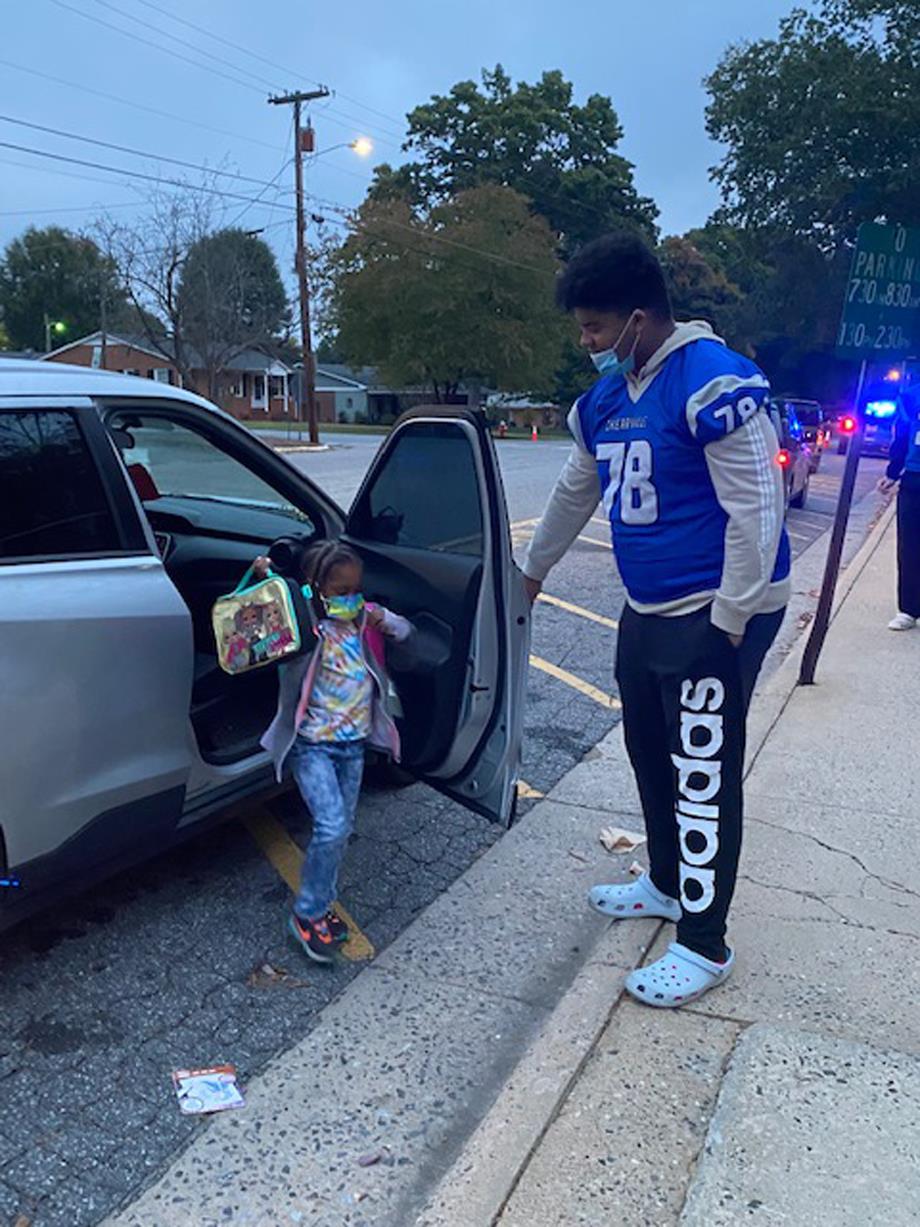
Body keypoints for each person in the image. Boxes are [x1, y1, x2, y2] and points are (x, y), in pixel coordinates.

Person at [523, 233, 789, 1009]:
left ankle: (706, 944)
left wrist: (731, 617)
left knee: (701, 772)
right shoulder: (608, 398)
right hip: (647, 606)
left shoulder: (711, 380)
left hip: (714, 607)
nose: (587, 342)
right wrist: (531, 571)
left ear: (639, 319)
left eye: (597, 327)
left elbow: (757, 506)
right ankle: (670, 881)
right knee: (647, 748)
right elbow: (578, 487)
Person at [256, 542, 413, 963]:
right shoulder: (304, 630)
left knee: (340, 831)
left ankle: (322, 904)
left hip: (353, 747)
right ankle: (306, 914)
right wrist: (264, 580)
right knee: (330, 827)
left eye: (356, 589)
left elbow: (405, 631)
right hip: (312, 747)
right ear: (315, 589)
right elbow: (255, 628)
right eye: (340, 590)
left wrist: (380, 616)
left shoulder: (364, 622)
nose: (351, 597)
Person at [878, 382, 920, 630]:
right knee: (910, 545)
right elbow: (902, 434)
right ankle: (908, 609)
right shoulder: (911, 394)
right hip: (914, 478)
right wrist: (893, 472)